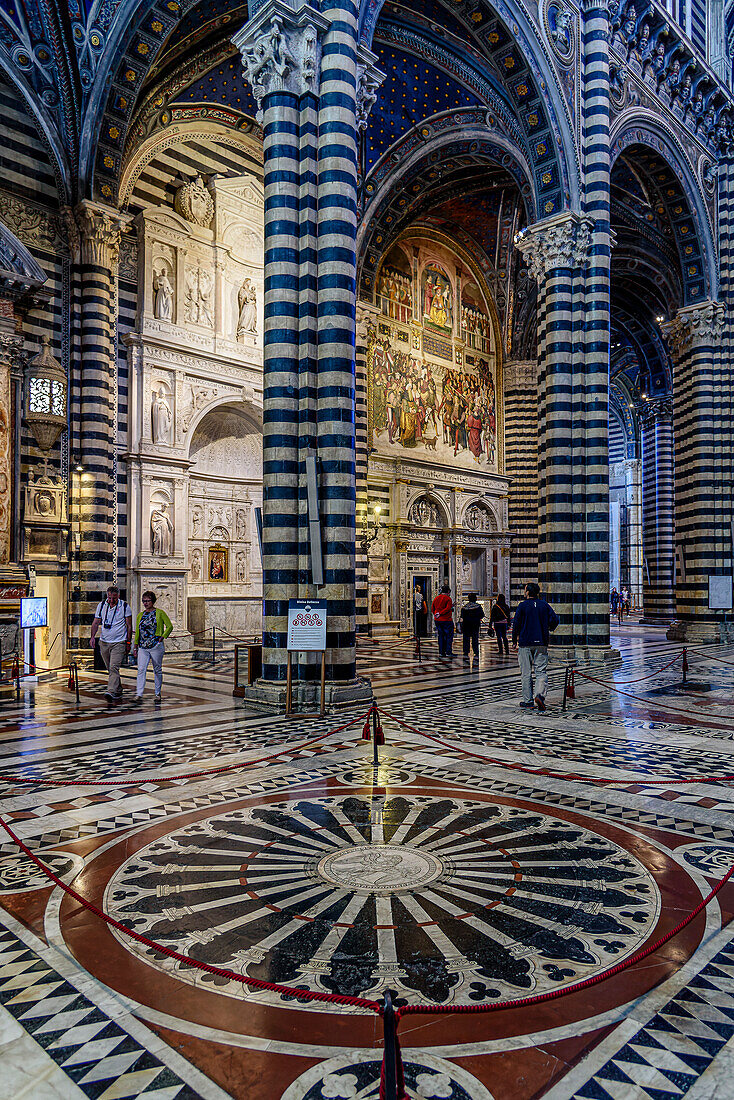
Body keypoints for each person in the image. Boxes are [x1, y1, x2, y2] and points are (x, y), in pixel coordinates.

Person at [511, 582, 559, 711]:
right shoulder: (544, 605)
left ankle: (528, 701)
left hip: (525, 642)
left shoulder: (522, 606)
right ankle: (539, 695)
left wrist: (514, 640)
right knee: (541, 671)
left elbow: (516, 623)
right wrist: (548, 628)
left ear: (527, 592)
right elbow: (555, 619)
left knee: (526, 673)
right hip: (541, 642)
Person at [90, 585, 133, 704]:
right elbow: (96, 622)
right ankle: (118, 689)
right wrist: (92, 637)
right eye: (109, 597)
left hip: (119, 642)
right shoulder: (102, 605)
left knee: (114, 667)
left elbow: (129, 626)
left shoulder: (124, 606)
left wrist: (128, 642)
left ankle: (111, 691)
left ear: (118, 596)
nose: (111, 600)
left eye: (114, 598)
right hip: (104, 642)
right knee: (110, 668)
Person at [132, 591, 173, 703]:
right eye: (144, 601)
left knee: (157, 669)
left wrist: (162, 637)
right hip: (143, 646)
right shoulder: (140, 615)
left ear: (153, 601)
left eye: (147, 601)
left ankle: (157, 693)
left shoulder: (159, 613)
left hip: (156, 645)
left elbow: (169, 626)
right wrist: (135, 646)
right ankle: (139, 694)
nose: (145, 603)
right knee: (141, 669)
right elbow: (138, 632)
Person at [431, 582, 455, 658]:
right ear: (448, 591)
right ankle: (448, 651)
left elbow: (432, 608)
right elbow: (447, 609)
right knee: (448, 636)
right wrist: (440, 613)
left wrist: (436, 614)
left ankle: (441, 652)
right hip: (446, 620)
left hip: (437, 620)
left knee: (440, 636)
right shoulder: (448, 598)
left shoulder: (436, 598)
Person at [459, 593, 484, 661]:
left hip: (466, 625)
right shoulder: (478, 607)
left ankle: (466, 651)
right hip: (475, 624)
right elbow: (482, 615)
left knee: (466, 638)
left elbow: (462, 616)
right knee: (475, 638)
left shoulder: (464, 607)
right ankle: (475, 651)